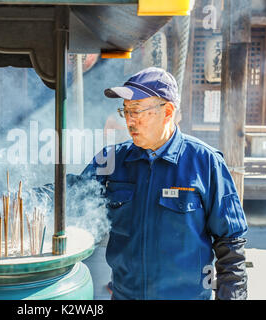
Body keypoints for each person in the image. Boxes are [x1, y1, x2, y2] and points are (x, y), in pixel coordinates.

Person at [77, 67, 248, 300]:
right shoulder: (112, 160)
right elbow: (71, 195)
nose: (129, 121)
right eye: (125, 111)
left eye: (136, 111)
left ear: (167, 111)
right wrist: (33, 199)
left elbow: (231, 243)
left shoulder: (205, 162)